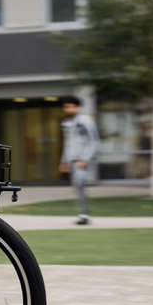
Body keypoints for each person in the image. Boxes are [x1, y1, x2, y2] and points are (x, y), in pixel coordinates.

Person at [58, 96, 99, 225]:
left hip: (82, 160)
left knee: (80, 185)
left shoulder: (85, 121)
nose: (68, 109)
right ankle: (83, 214)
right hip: (72, 160)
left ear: (77, 107)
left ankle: (84, 215)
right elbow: (67, 143)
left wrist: (85, 158)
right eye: (66, 107)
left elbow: (94, 140)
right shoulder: (67, 123)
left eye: (71, 106)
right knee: (77, 186)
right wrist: (64, 161)